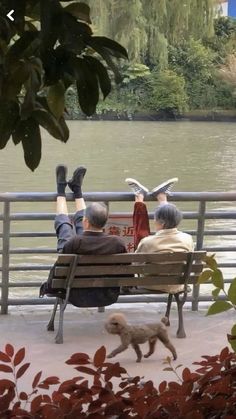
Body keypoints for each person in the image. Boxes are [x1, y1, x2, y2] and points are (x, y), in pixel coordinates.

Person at [40, 165, 127, 307]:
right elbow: (126, 272)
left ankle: (61, 190)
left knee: (64, 227)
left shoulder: (74, 243)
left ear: (86, 221)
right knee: (73, 236)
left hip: (76, 294)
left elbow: (59, 269)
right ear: (105, 224)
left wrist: (49, 285)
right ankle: (76, 189)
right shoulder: (118, 243)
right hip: (107, 295)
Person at [125, 177, 194, 294]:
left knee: (142, 237)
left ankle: (141, 197)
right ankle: (161, 197)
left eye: (155, 219)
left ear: (160, 223)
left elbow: (135, 265)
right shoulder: (188, 239)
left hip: (152, 284)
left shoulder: (147, 242)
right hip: (177, 285)